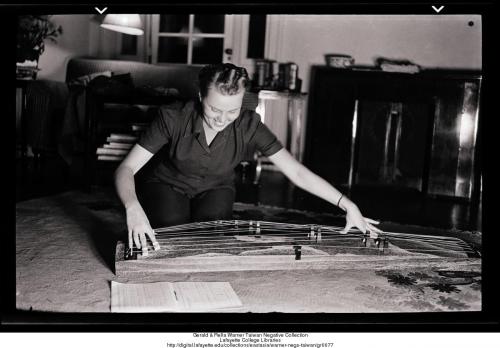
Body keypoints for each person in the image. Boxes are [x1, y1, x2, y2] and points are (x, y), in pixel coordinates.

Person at [114, 63, 382, 254]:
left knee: (210, 243)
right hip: (168, 184)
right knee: (170, 234)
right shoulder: (172, 117)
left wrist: (349, 205)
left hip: (216, 188)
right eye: (214, 109)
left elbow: (297, 173)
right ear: (200, 96)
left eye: (231, 111)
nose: (222, 119)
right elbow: (126, 168)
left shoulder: (250, 124)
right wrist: (132, 208)